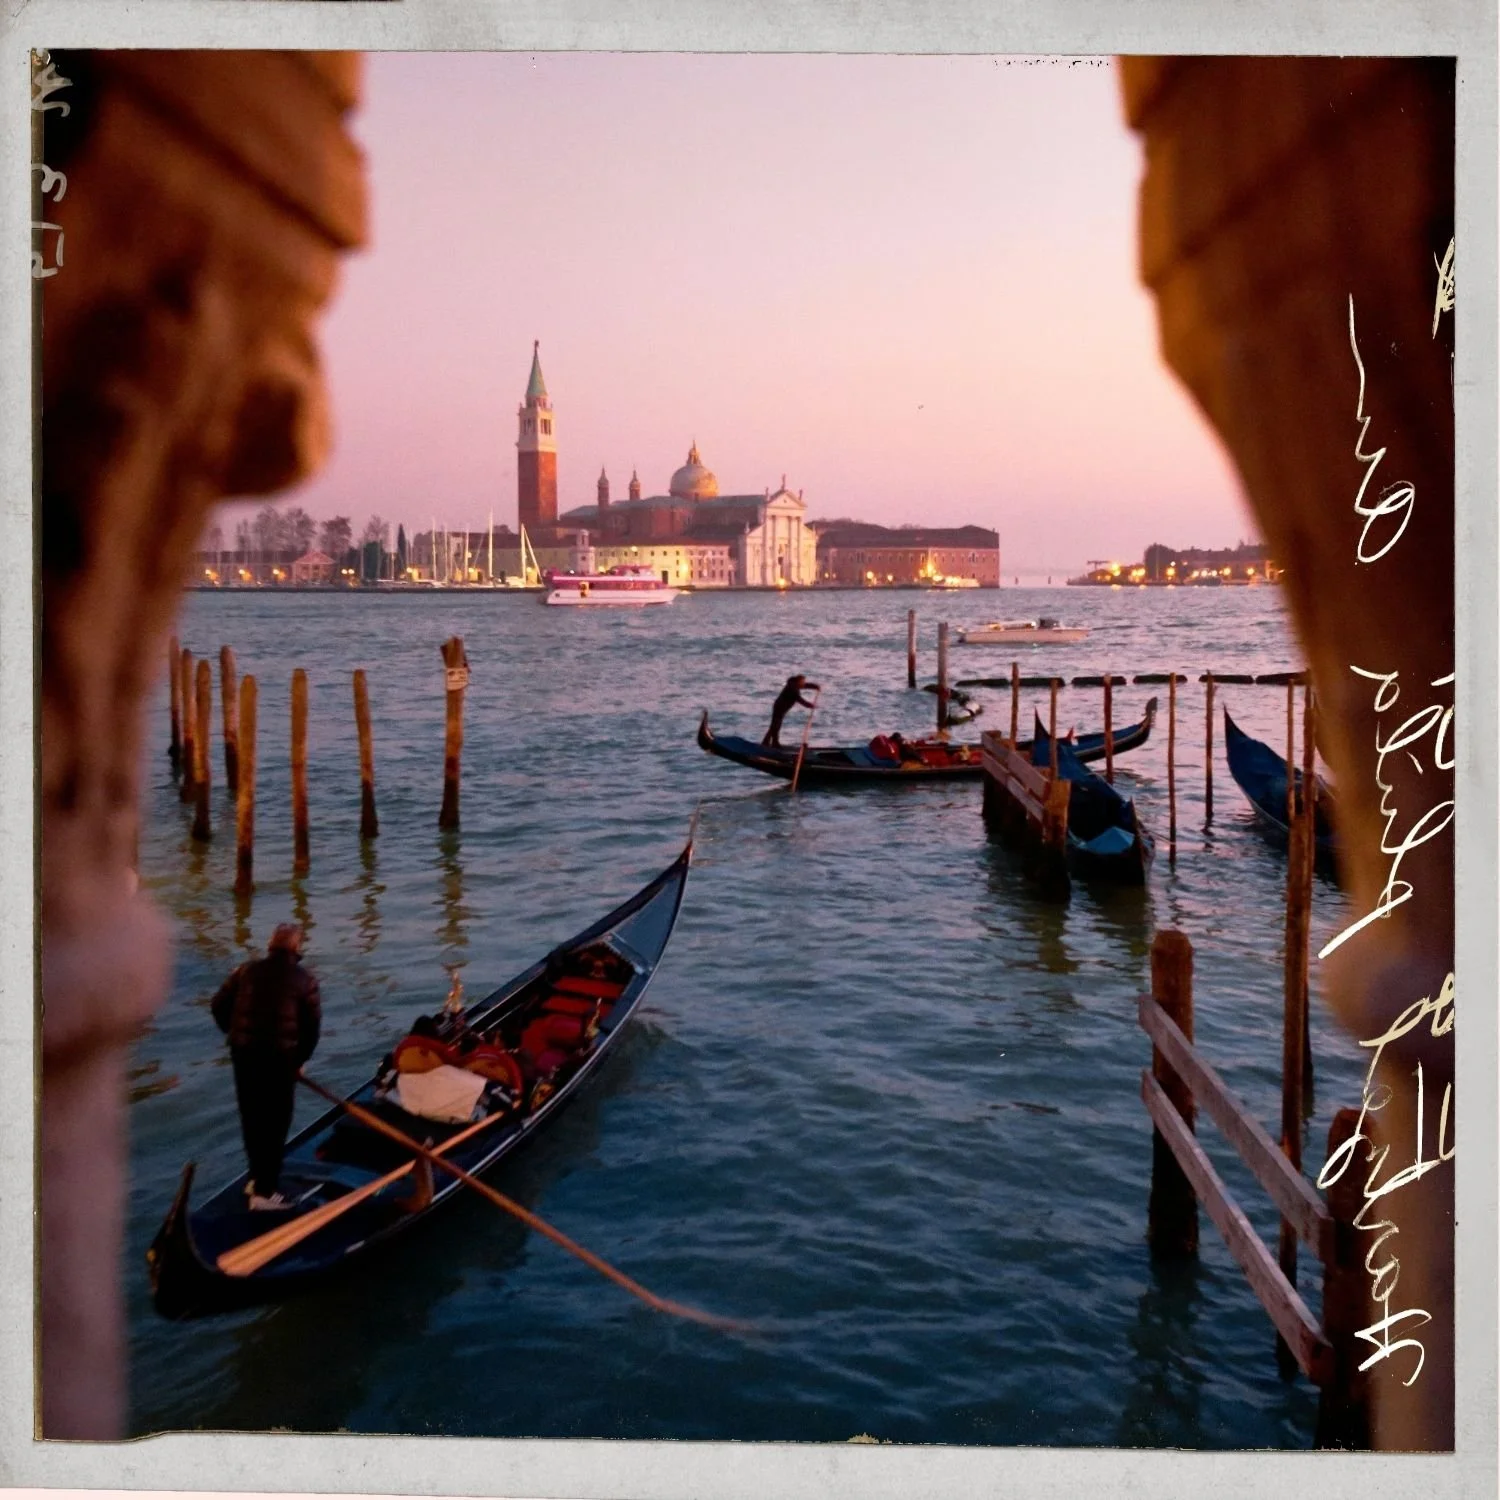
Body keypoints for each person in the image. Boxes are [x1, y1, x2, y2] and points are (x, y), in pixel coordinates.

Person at [210, 924, 322, 1209]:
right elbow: (311, 1031)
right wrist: (298, 1062)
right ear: (297, 949)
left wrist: (235, 1034)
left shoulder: (245, 971)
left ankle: (256, 1178)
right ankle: (265, 1191)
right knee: (275, 1122)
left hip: (243, 1054)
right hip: (278, 1059)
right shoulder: (305, 980)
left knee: (252, 1118)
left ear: (270, 946)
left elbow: (218, 1005)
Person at [761, 674, 821, 748]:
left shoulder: (795, 685)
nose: (803, 683)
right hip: (780, 707)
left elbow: (804, 685)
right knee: (776, 725)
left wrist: (815, 686)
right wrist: (811, 706)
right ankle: (774, 743)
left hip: (782, 707)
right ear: (798, 682)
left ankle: (766, 742)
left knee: (774, 725)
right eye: (802, 682)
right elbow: (801, 701)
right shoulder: (793, 689)